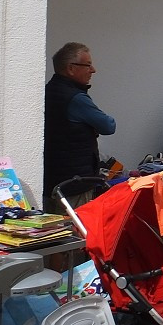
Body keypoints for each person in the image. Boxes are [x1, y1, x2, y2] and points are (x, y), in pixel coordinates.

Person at [44, 42, 116, 204]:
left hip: (50, 180)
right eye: (88, 65)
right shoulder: (76, 98)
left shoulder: (48, 91)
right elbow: (109, 125)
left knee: (56, 228)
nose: (93, 70)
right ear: (71, 68)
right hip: (75, 184)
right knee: (77, 228)